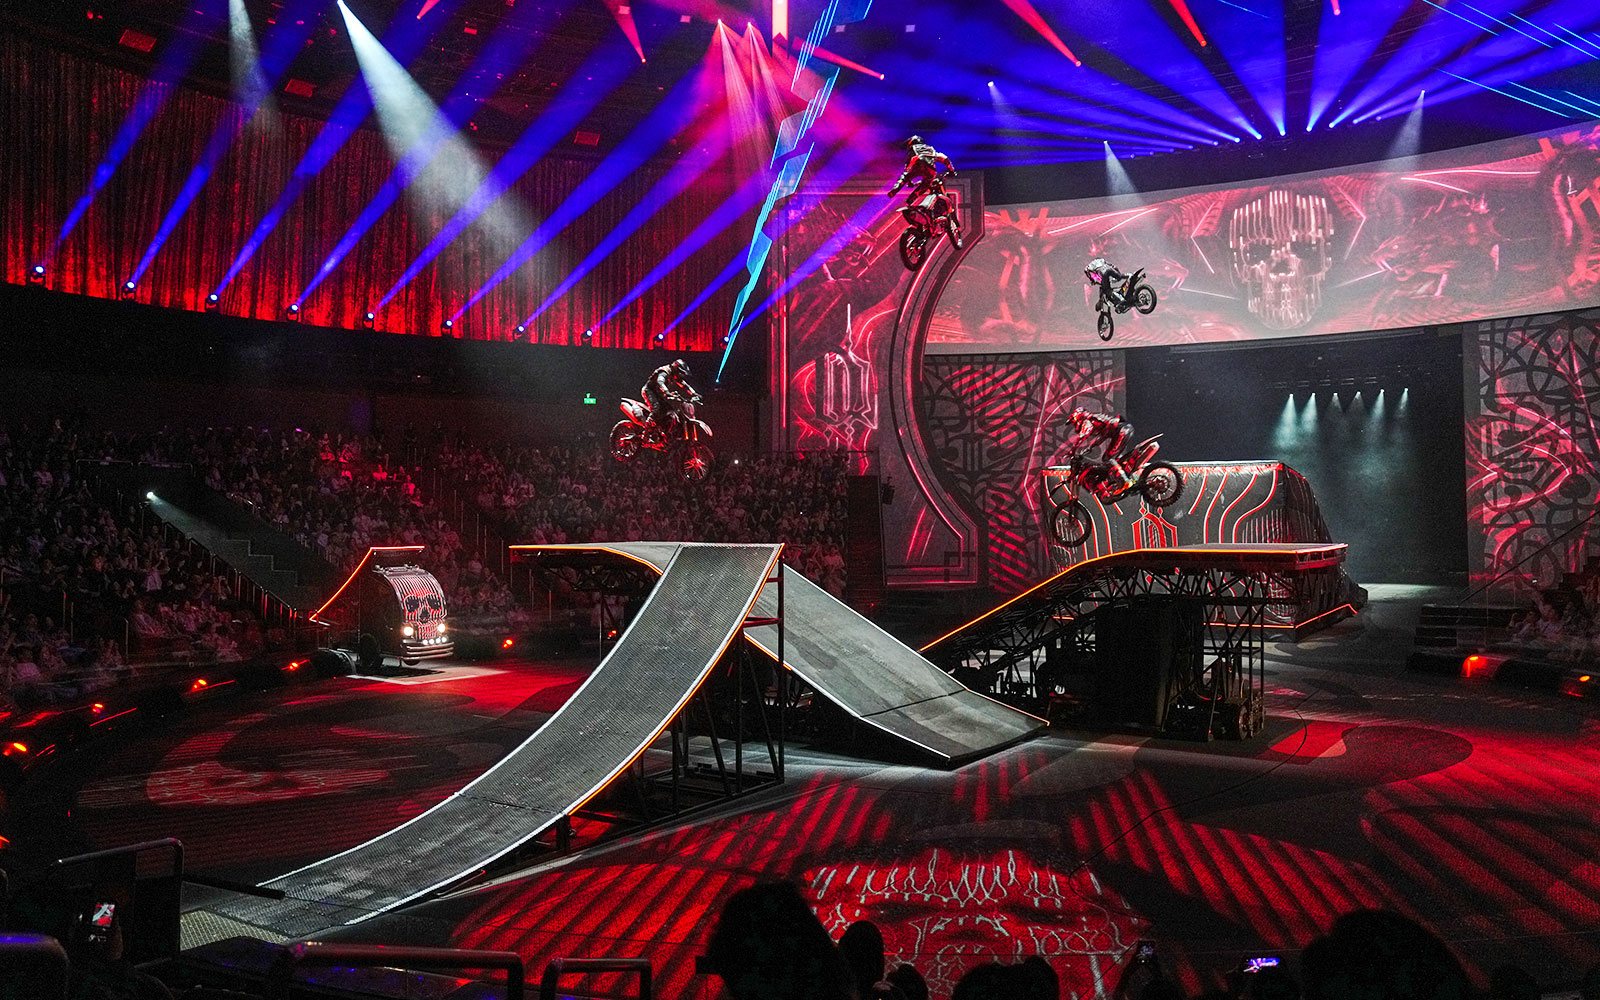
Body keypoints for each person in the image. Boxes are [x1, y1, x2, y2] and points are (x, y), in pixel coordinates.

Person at [888, 136, 962, 249]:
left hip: (916, 164)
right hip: (929, 169)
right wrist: (951, 170)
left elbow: (907, 168)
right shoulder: (929, 149)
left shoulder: (912, 151)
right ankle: (920, 207)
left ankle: (901, 194)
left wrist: (908, 182)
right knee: (925, 184)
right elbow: (944, 158)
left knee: (904, 178)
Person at [1068, 406, 1137, 490]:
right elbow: (1101, 437)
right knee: (1116, 459)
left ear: (1080, 417)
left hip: (1122, 431)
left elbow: (1082, 436)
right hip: (1123, 430)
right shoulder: (1095, 420)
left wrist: (1072, 450)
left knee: (1107, 458)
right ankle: (1128, 477)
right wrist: (1090, 448)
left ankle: (1125, 480)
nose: (1074, 425)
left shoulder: (1088, 421)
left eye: (1074, 421)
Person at [641, 358, 700, 435]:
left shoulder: (674, 374)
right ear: (676, 369)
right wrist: (666, 392)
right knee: (657, 408)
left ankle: (661, 429)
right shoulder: (664, 372)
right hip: (649, 391)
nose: (680, 375)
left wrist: (694, 393)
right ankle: (647, 428)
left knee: (669, 410)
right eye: (680, 373)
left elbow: (685, 385)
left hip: (659, 393)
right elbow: (660, 382)